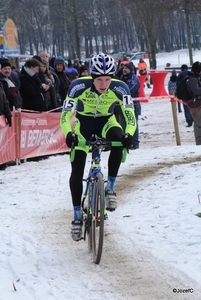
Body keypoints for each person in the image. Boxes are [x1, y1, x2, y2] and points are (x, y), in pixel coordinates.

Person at [60, 53, 136, 241]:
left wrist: (130, 134)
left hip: (106, 123)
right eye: (100, 80)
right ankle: (77, 216)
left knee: (119, 138)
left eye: (108, 79)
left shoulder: (121, 88)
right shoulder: (78, 86)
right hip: (82, 124)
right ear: (92, 77)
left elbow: (130, 115)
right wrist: (68, 133)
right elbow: (65, 115)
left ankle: (110, 188)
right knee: (77, 169)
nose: (104, 84)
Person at [120, 63, 141, 149]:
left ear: (130, 69)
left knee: (133, 123)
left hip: (134, 104)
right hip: (122, 105)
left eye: (126, 68)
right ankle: (126, 142)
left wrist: (119, 92)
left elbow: (130, 90)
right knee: (123, 124)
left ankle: (135, 143)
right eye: (123, 68)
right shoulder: (122, 77)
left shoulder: (134, 78)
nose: (124, 69)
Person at [185, 61, 201, 145]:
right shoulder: (192, 79)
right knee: (198, 124)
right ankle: (199, 142)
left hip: (198, 103)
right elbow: (196, 91)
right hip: (196, 105)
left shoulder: (196, 78)